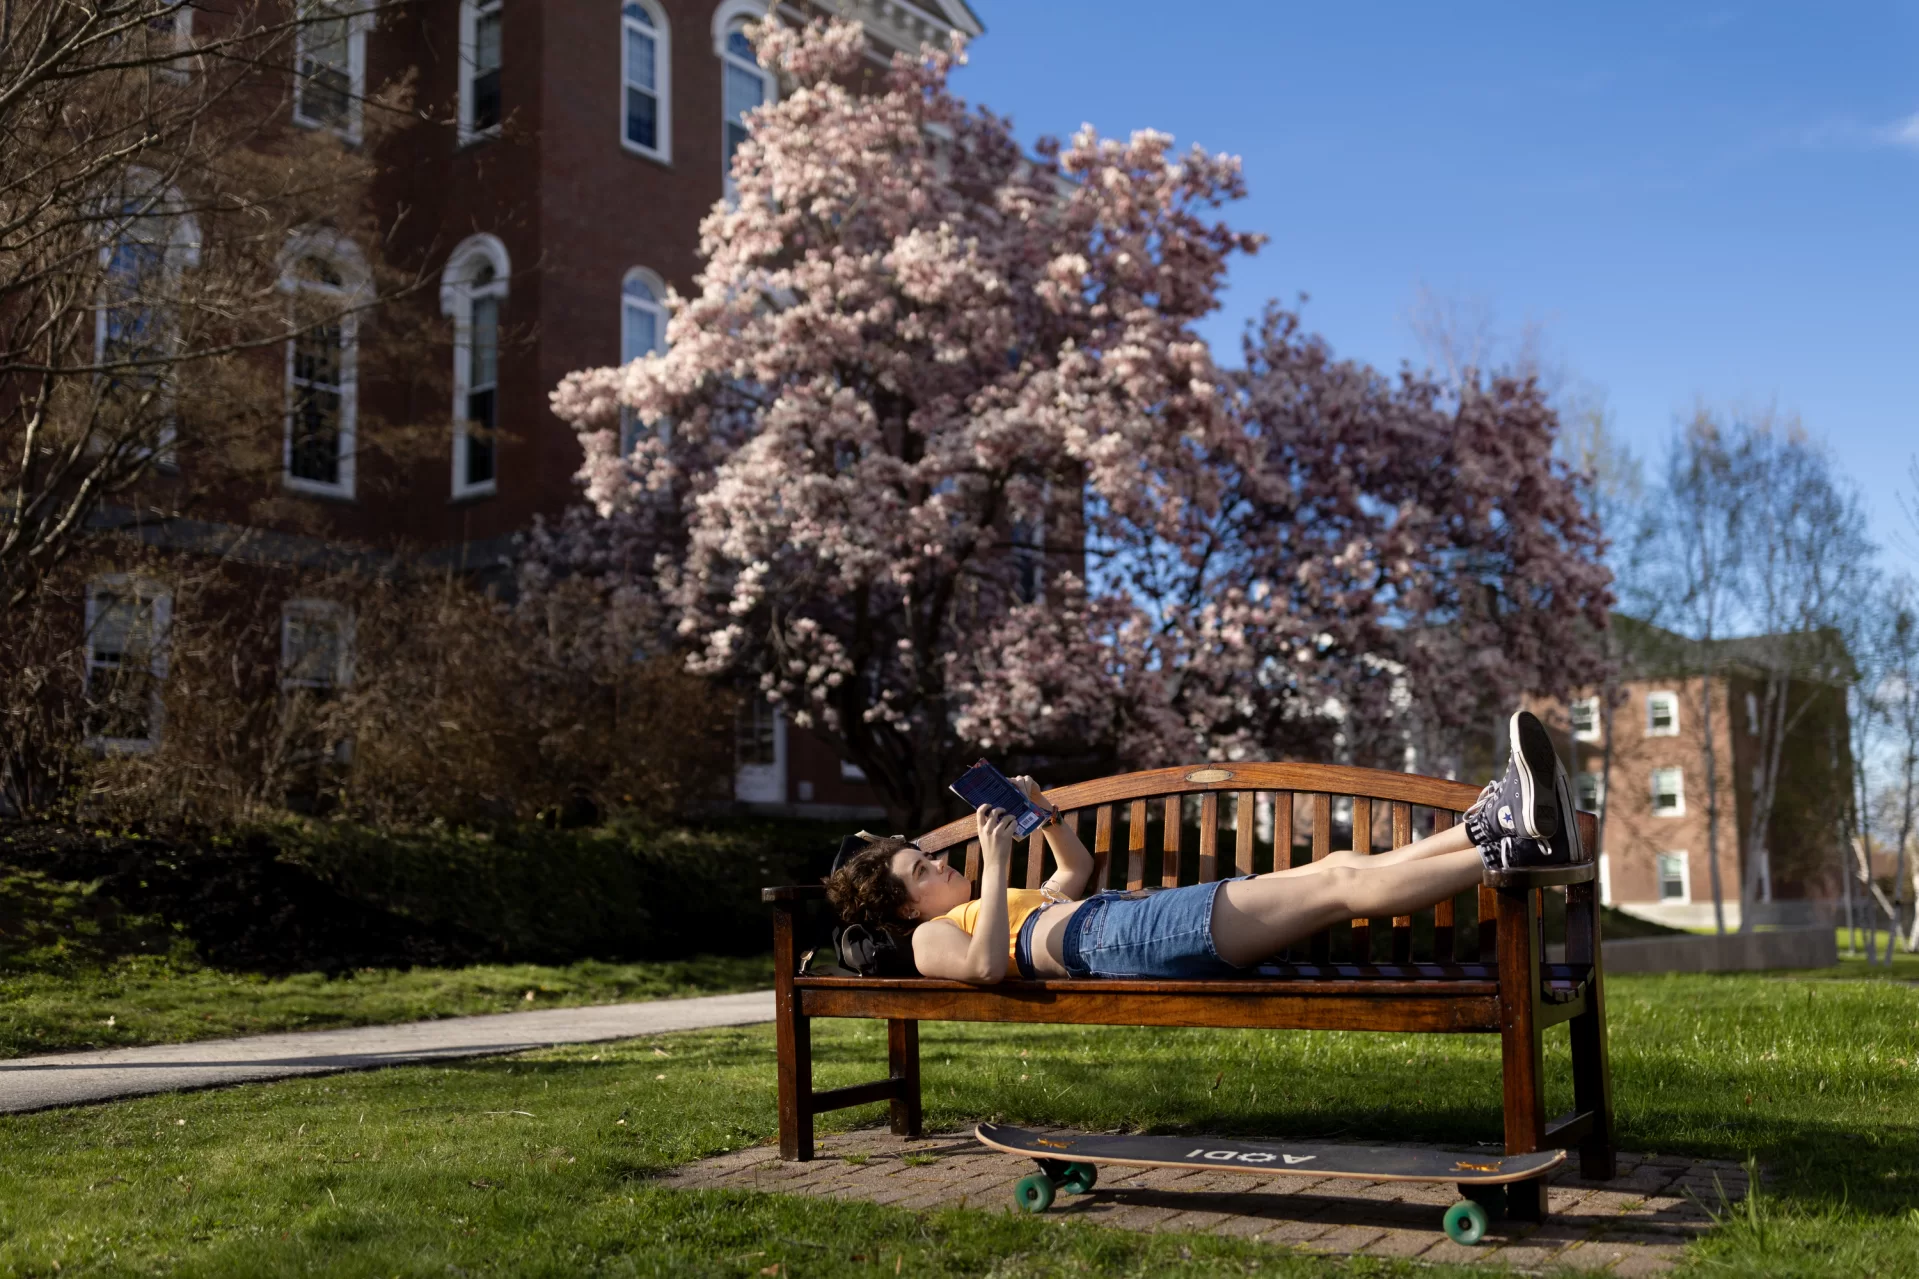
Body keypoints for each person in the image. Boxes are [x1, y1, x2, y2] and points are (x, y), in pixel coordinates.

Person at [824, 710, 1586, 984]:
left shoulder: (998, 908)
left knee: (1333, 865)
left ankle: (1491, 825)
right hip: (1126, 936)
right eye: (923, 871)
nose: (941, 865)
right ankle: (1514, 847)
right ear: (899, 906)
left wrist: (1045, 816)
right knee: (1336, 889)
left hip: (1123, 920)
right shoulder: (930, 936)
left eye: (929, 855)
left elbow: (1075, 873)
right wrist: (991, 872)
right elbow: (989, 966)